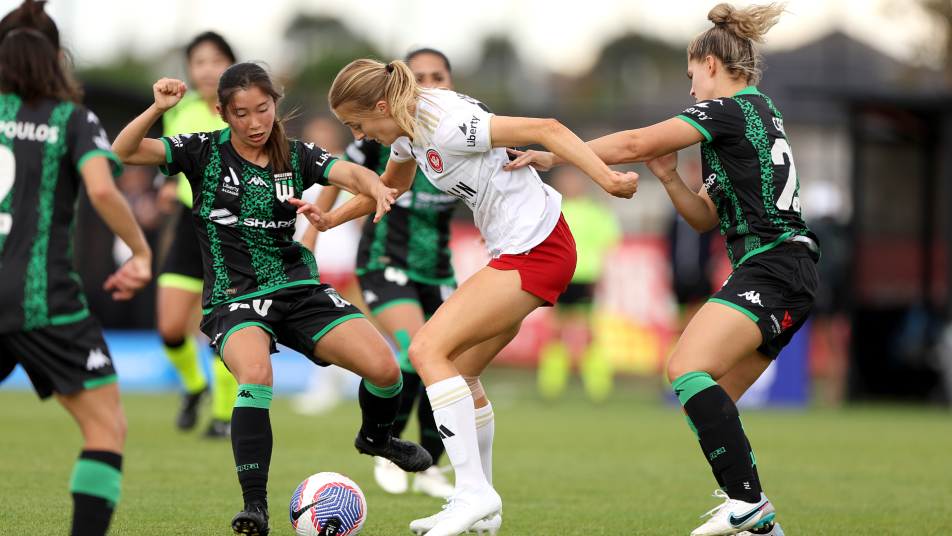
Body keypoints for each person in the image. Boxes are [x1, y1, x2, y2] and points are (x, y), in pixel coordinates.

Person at [294, 58, 638, 536]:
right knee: (463, 371)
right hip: (521, 248)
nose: (360, 135)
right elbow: (393, 184)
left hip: (535, 248)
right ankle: (485, 511)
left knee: (426, 349)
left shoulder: (447, 123)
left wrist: (609, 180)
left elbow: (547, 126)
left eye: (357, 124)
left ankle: (471, 493)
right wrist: (333, 219)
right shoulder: (404, 130)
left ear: (379, 105)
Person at [507, 3, 816, 535]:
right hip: (787, 271)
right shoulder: (757, 114)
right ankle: (758, 521)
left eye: (692, 75)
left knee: (684, 369)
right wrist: (671, 179)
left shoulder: (726, 111)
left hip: (774, 266)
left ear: (711, 65)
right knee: (712, 401)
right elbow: (702, 218)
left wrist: (556, 155)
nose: (691, 90)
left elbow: (631, 144)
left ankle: (748, 504)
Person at [112, 62, 433, 536]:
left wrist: (377, 188)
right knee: (256, 374)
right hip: (233, 297)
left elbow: (350, 173)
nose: (255, 122)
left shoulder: (297, 154)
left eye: (263, 109)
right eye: (240, 113)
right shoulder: (200, 150)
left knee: (386, 369)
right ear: (222, 113)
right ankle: (255, 506)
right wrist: (158, 108)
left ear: (275, 105)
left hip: (298, 288)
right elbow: (124, 151)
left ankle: (376, 437)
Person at [0, 2, 153, 535]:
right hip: (39, 296)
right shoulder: (70, 118)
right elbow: (103, 189)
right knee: (105, 426)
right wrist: (140, 251)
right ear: (58, 58)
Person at [306, 47, 461, 499]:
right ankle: (386, 446)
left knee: (450, 363)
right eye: (421, 76)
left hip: (438, 267)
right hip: (383, 261)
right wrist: (314, 238)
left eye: (439, 76)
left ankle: (431, 462)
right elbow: (337, 176)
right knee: (417, 350)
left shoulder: (456, 131)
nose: (430, 83)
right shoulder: (381, 135)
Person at [156, 31, 238, 438]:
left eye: (216, 60)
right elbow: (173, 161)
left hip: (233, 233)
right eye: (199, 61)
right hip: (190, 229)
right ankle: (194, 387)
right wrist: (169, 188)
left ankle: (224, 416)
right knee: (171, 328)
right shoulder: (178, 110)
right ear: (189, 69)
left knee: (227, 326)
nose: (207, 70)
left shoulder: (244, 111)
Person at [536, 166, 621, 403]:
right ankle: (550, 388)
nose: (570, 185)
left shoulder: (595, 212)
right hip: (557, 279)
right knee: (554, 333)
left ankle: (598, 389)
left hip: (585, 279)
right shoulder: (552, 209)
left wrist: (602, 278)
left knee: (589, 334)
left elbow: (608, 244)